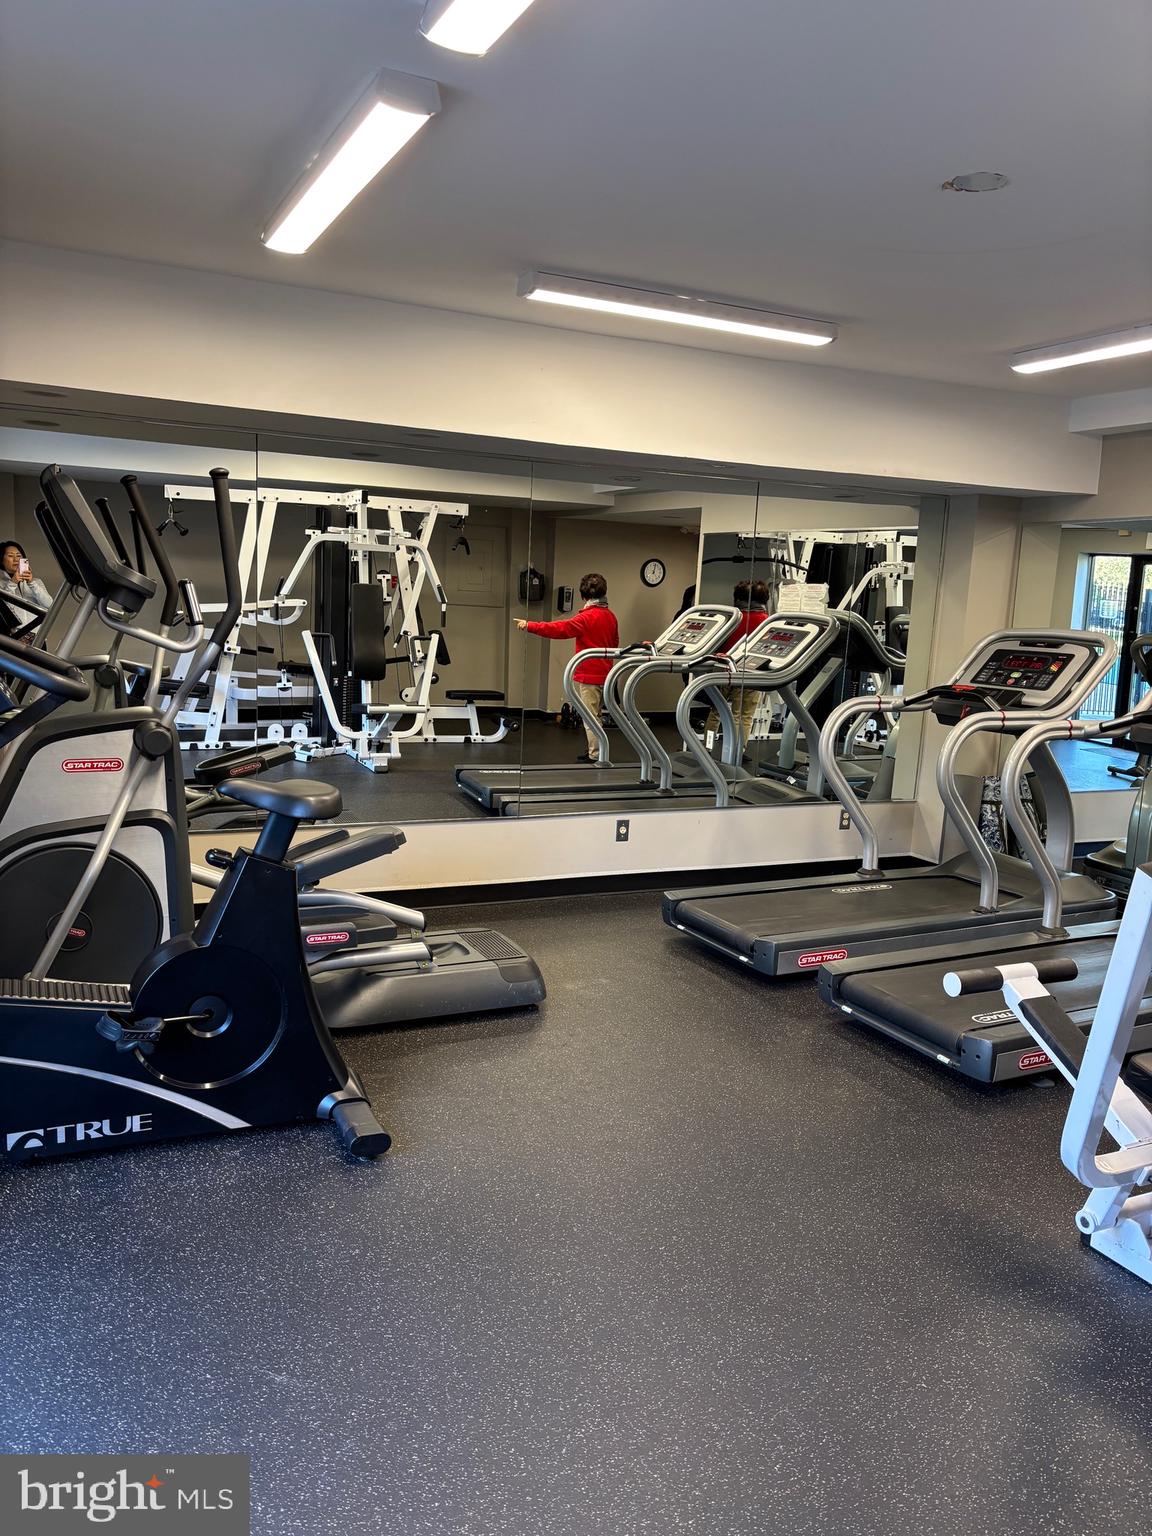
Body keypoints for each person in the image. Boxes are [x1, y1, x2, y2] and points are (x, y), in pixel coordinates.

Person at [515, 573, 619, 762]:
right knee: (596, 714)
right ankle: (597, 751)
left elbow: (559, 629)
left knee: (590, 717)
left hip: (589, 675)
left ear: (583, 595)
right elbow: (614, 642)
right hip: (606, 674)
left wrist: (530, 625)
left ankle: (596, 755)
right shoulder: (610, 617)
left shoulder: (586, 617)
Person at [705, 579, 770, 753]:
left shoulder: (731, 618)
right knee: (743, 715)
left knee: (716, 711)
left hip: (723, 669)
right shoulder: (766, 621)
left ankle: (706, 748)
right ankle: (736, 751)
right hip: (750, 672)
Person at [0, 542, 52, 621]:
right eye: (10, 556)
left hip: (39, 629)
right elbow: (5, 612)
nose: (16, 559)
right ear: (1, 560)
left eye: (19, 556)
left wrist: (32, 583)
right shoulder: (0, 584)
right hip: (16, 629)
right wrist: (12, 583)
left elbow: (50, 605)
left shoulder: (36, 582)